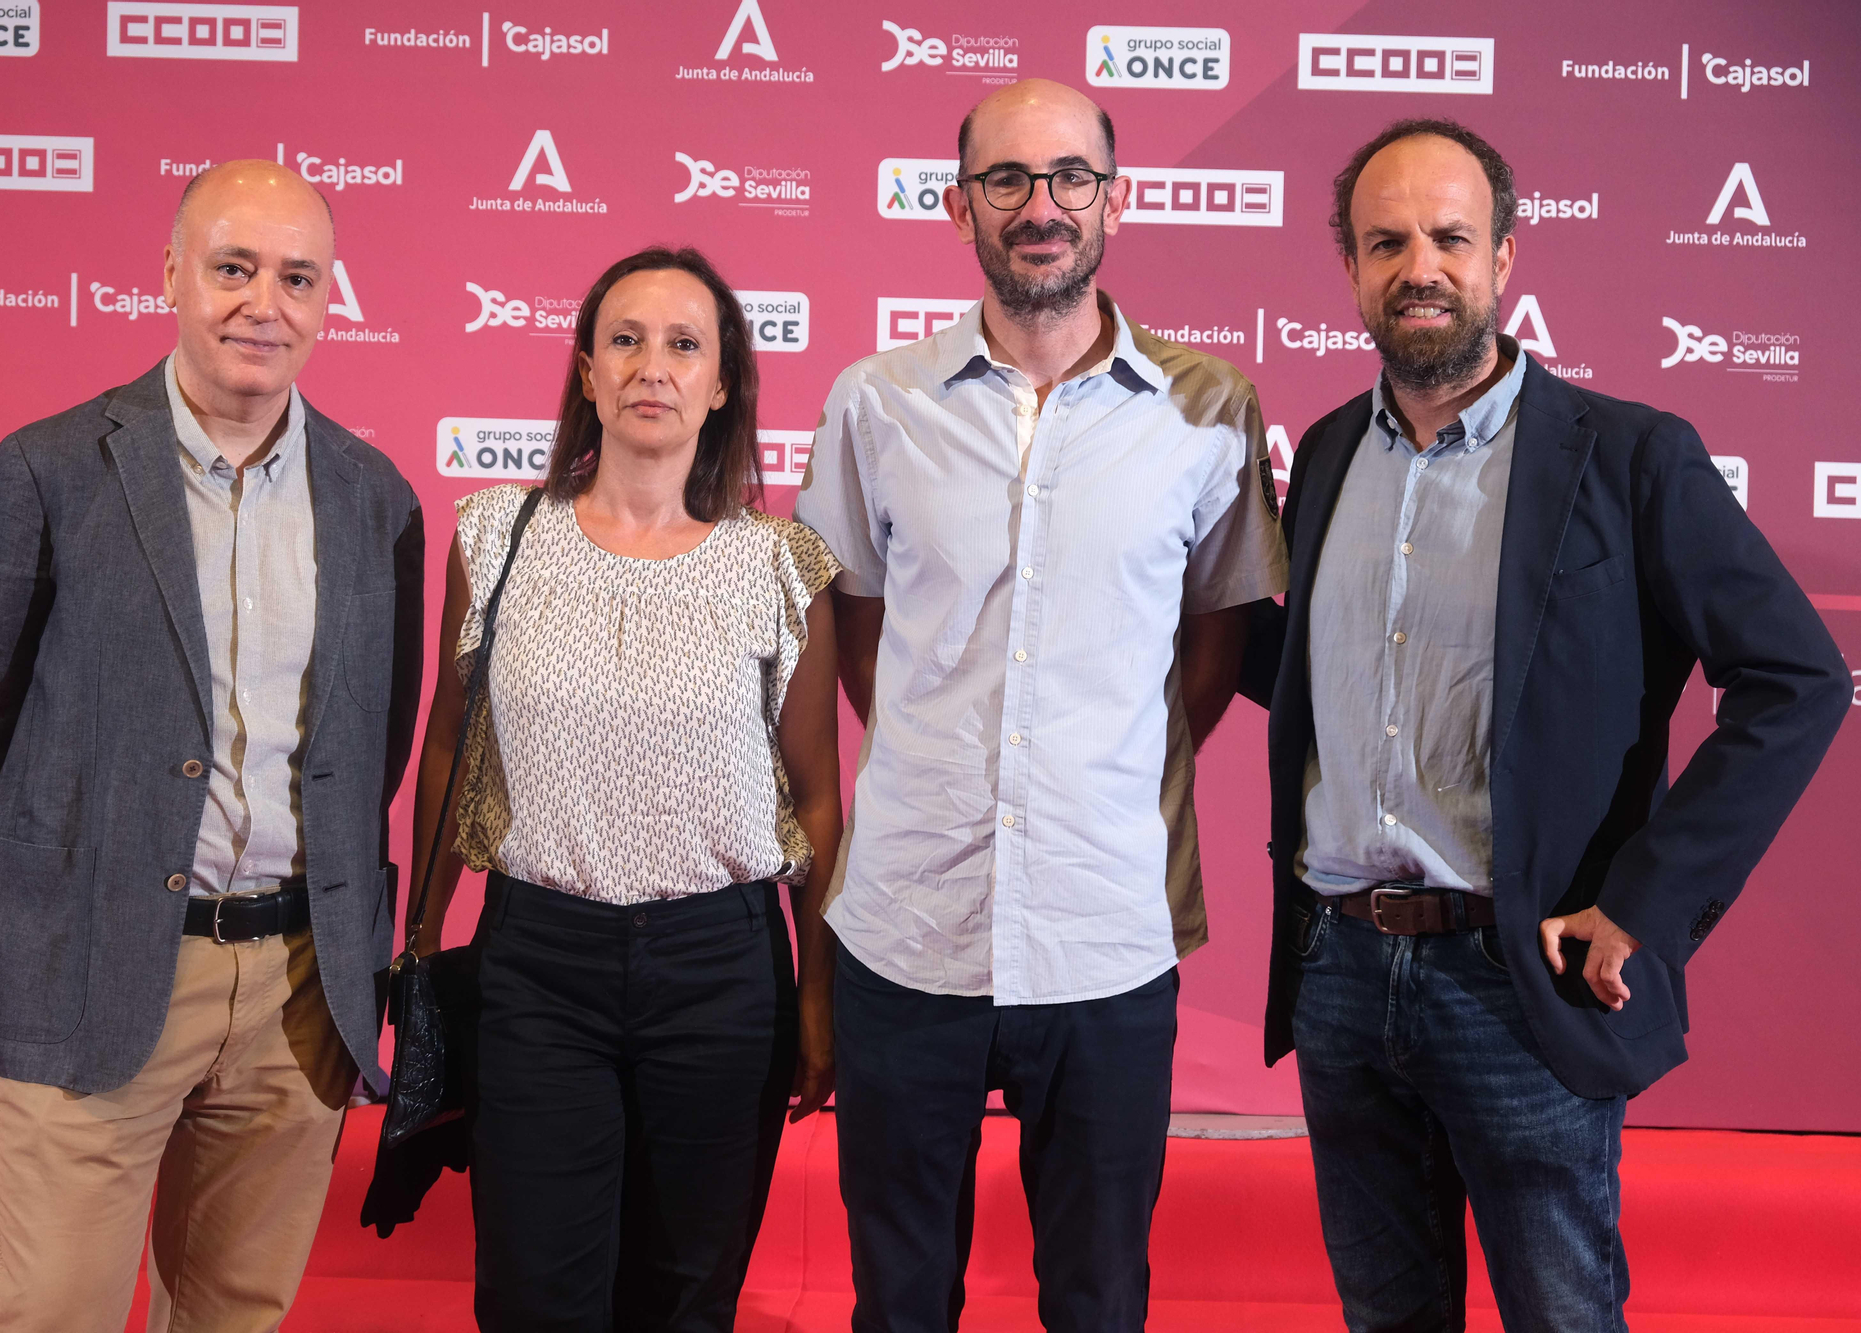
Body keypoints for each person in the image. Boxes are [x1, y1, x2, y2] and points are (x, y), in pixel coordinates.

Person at [1237, 118, 1851, 1332]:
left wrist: (1645, 905)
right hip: (1341, 975)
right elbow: (1320, 674)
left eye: (1449, 237)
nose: (1419, 265)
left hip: (1519, 983)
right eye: (1385, 240)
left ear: (1505, 254)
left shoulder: (1627, 458)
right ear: (1348, 267)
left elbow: (1797, 677)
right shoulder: (1317, 457)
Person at [794, 80, 1289, 1333]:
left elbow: (1212, 649)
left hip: (1105, 932)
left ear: (1112, 200)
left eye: (1070, 177)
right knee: (898, 1299)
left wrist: (1095, 763)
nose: (1040, 207)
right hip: (910, 928)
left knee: (1097, 1296)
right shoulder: (874, 400)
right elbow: (855, 634)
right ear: (959, 207)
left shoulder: (1205, 409)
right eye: (1006, 181)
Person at [0, 161, 425, 1331]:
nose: (265, 304)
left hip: (301, 989)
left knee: (235, 1313)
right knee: (53, 1313)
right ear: (169, 275)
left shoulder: (373, 495)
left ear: (328, 295)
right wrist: (55, 892)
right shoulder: (47, 469)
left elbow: (373, 744)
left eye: (297, 277)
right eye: (234, 267)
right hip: (97, 967)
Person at [408, 246, 843, 1331]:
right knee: (533, 1295)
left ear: (724, 381)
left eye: (684, 344)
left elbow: (819, 801)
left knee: (685, 1295)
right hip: (537, 971)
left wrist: (820, 997)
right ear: (587, 371)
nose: (653, 365)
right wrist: (415, 944)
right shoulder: (497, 535)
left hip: (722, 972)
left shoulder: (780, 564)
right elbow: (448, 743)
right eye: (626, 340)